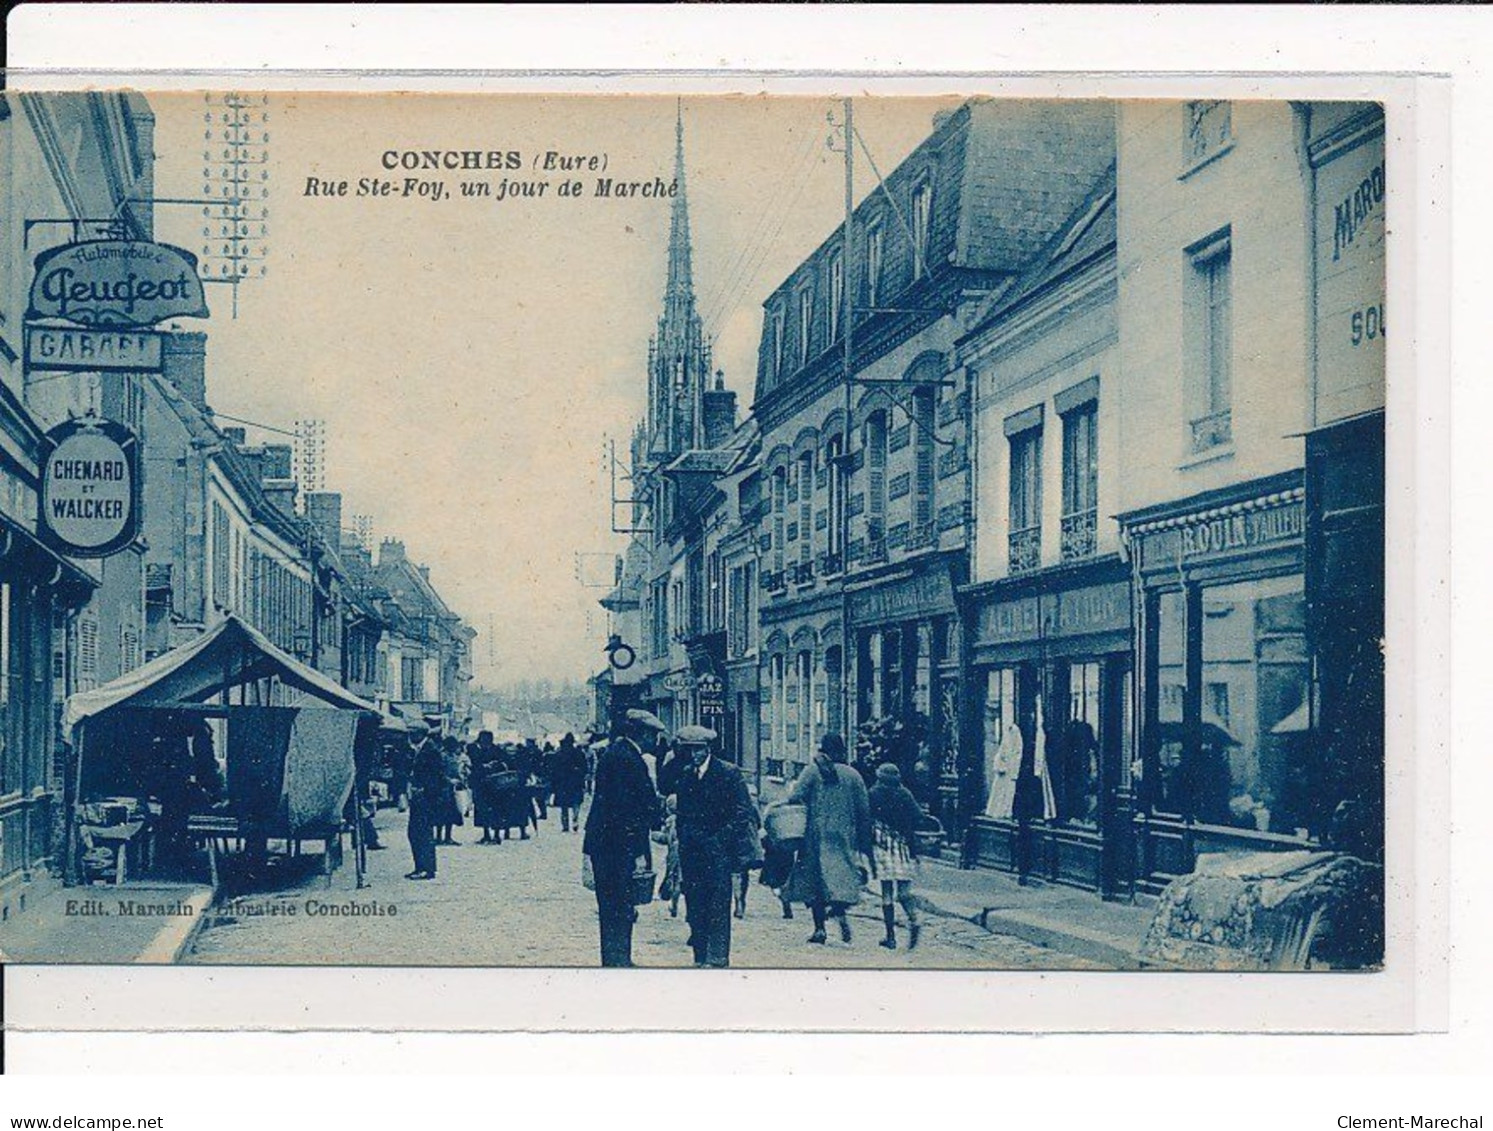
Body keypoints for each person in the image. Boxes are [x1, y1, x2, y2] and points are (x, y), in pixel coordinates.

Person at [774, 733, 873, 945]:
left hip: (815, 836)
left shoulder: (812, 771)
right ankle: (839, 911)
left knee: (815, 885)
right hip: (844, 836)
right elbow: (864, 810)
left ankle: (820, 929)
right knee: (842, 878)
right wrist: (864, 841)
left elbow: (795, 797)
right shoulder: (854, 775)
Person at [673, 725, 757, 968]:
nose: (693, 755)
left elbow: (743, 811)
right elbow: (682, 812)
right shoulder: (687, 774)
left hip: (719, 850)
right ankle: (700, 956)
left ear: (707, 749)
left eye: (697, 750)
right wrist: (684, 837)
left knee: (718, 903)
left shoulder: (728, 773)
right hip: (692, 851)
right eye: (688, 750)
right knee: (695, 903)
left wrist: (722, 839)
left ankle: (717, 957)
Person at [583, 710, 661, 967]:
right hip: (617, 845)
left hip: (605, 843)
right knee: (620, 904)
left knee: (612, 905)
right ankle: (619, 960)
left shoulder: (616, 753)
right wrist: (639, 848)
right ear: (643, 733)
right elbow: (629, 809)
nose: (656, 741)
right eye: (654, 735)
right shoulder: (628, 759)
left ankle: (615, 958)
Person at [868, 762, 924, 950]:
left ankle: (890, 936)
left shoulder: (874, 793)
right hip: (904, 847)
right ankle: (915, 920)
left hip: (883, 846)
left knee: (886, 893)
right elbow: (918, 816)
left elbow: (865, 817)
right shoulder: (905, 794)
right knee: (904, 892)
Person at [404, 722, 445, 880]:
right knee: (416, 832)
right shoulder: (420, 749)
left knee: (422, 832)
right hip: (419, 797)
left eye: (412, 733)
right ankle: (420, 866)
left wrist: (424, 790)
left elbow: (436, 775)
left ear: (420, 733)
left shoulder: (430, 751)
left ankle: (426, 868)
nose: (410, 736)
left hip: (426, 798)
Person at [551, 734, 589, 833]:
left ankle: (565, 825)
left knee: (564, 805)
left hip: (563, 783)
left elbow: (554, 770)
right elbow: (585, 768)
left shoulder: (559, 754)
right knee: (576, 803)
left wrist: (555, 784)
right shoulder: (579, 753)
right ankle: (575, 819)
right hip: (576, 782)